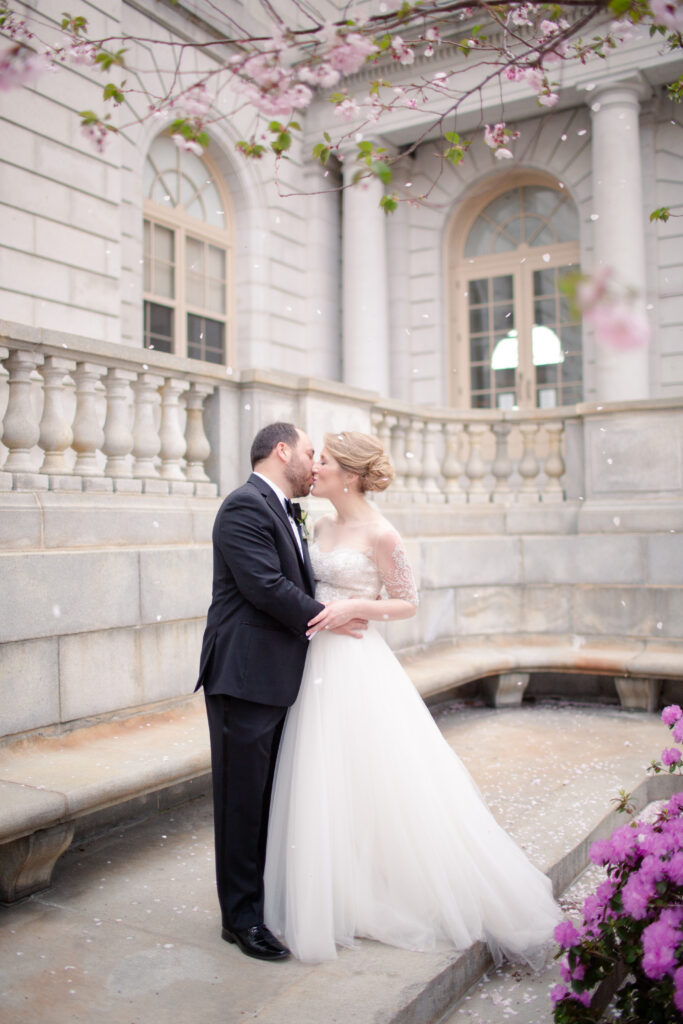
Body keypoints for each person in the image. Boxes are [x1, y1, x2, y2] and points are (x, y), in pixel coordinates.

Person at [264, 431, 562, 964]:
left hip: (355, 661)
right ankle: (339, 885)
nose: (316, 467)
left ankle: (384, 886)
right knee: (326, 774)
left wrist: (354, 606)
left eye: (325, 461)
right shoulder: (319, 523)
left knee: (374, 773)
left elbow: (406, 603)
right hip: (312, 663)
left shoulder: (382, 533)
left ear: (350, 476)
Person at [195, 423, 366, 962]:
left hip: (276, 674)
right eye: (309, 453)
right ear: (282, 450)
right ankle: (240, 920)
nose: (314, 464)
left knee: (266, 799)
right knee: (241, 801)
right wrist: (330, 617)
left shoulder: (287, 510)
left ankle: (260, 902)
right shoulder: (244, 506)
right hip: (243, 676)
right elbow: (265, 586)